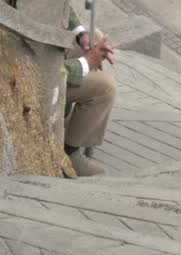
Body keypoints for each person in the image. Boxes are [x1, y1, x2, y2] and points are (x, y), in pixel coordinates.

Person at [64, 7, 116, 176]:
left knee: (95, 38)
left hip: (43, 49)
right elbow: (46, 69)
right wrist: (86, 62)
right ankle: (69, 153)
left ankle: (82, 127)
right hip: (42, 77)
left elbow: (59, 6)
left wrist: (81, 34)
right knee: (106, 88)